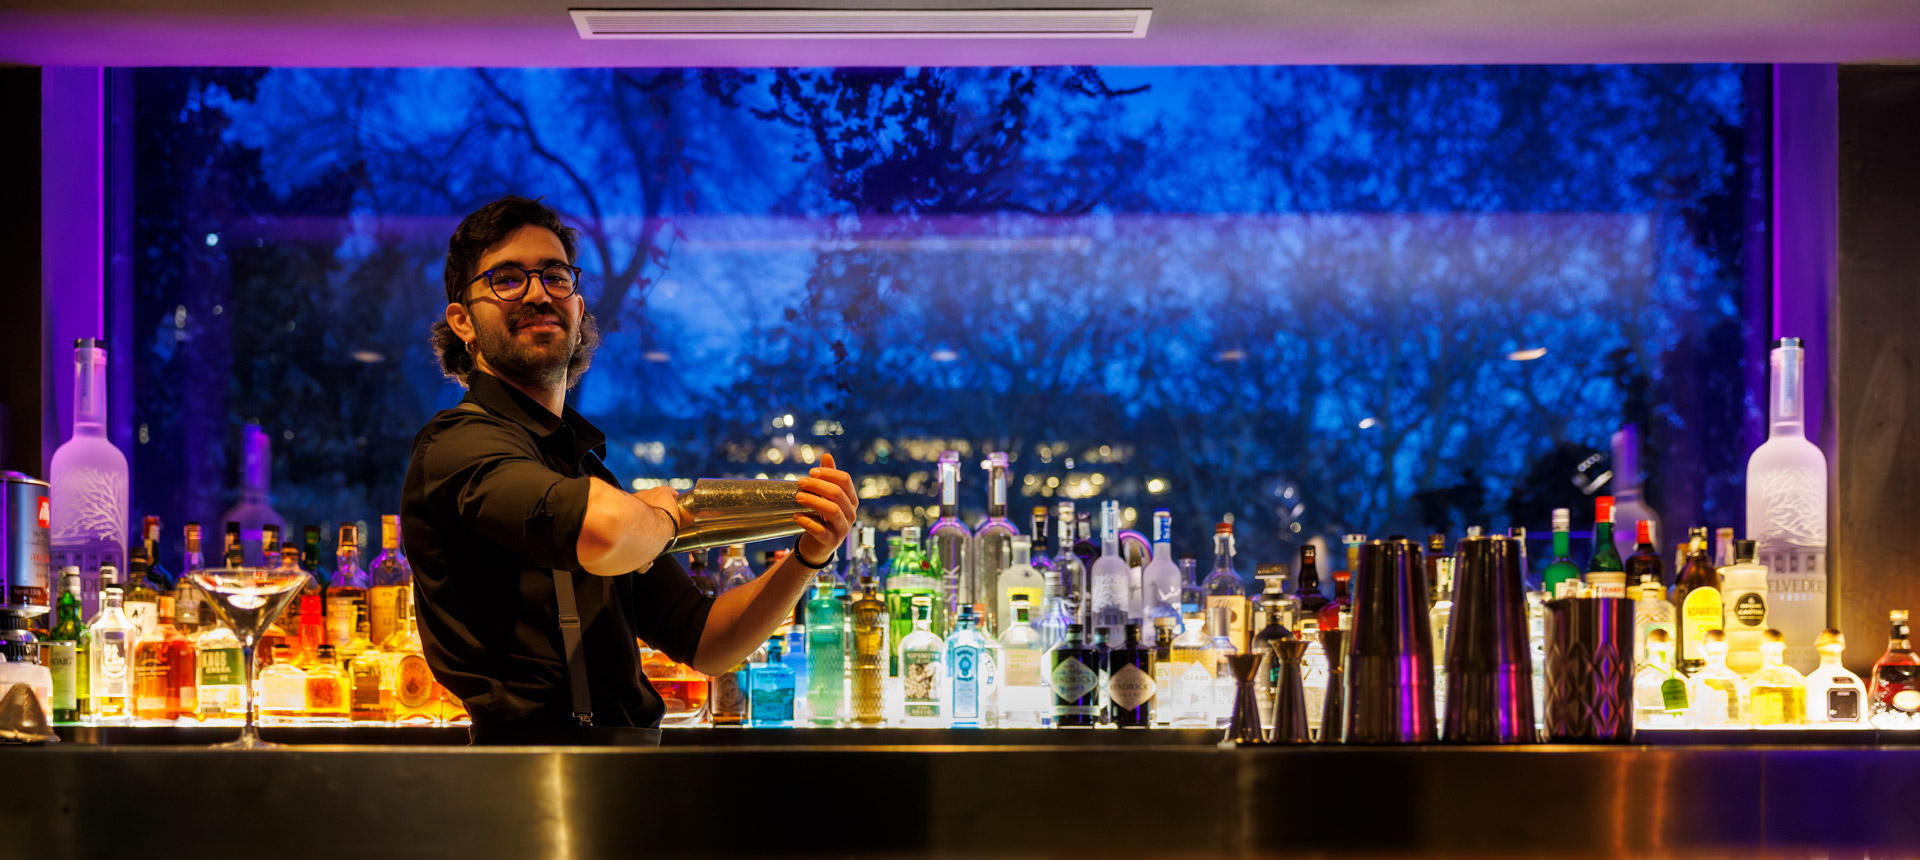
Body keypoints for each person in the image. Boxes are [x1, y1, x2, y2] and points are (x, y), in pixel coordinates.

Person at [401, 196, 858, 744]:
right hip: (522, 777)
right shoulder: (459, 447)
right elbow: (604, 531)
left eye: (554, 276)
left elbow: (709, 642)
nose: (538, 292)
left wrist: (809, 556)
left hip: (623, 772)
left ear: (576, 308)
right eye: (506, 279)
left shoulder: (578, 467)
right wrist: (662, 515)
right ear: (462, 322)